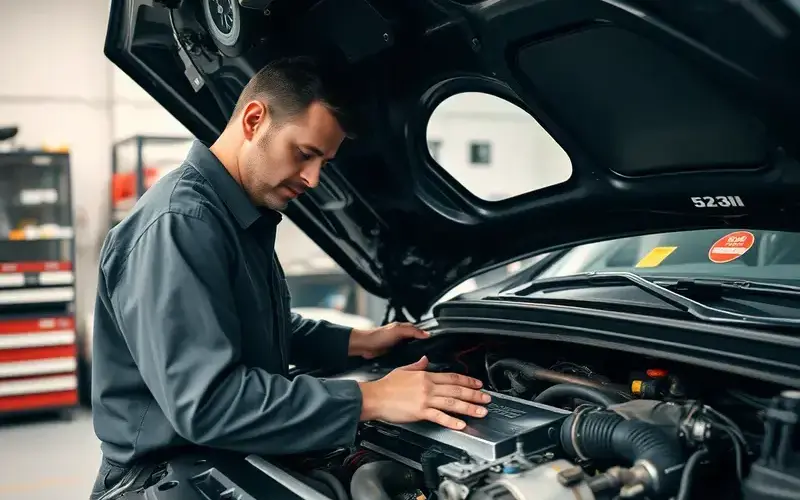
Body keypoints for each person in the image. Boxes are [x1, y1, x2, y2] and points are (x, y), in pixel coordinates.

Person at [89, 56, 490, 500]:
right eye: (304, 154)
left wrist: (359, 341)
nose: (313, 179)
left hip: (225, 455)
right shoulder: (181, 224)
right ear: (254, 120)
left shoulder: (236, 215)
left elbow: (259, 325)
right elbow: (209, 404)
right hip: (165, 479)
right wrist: (374, 398)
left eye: (324, 162)